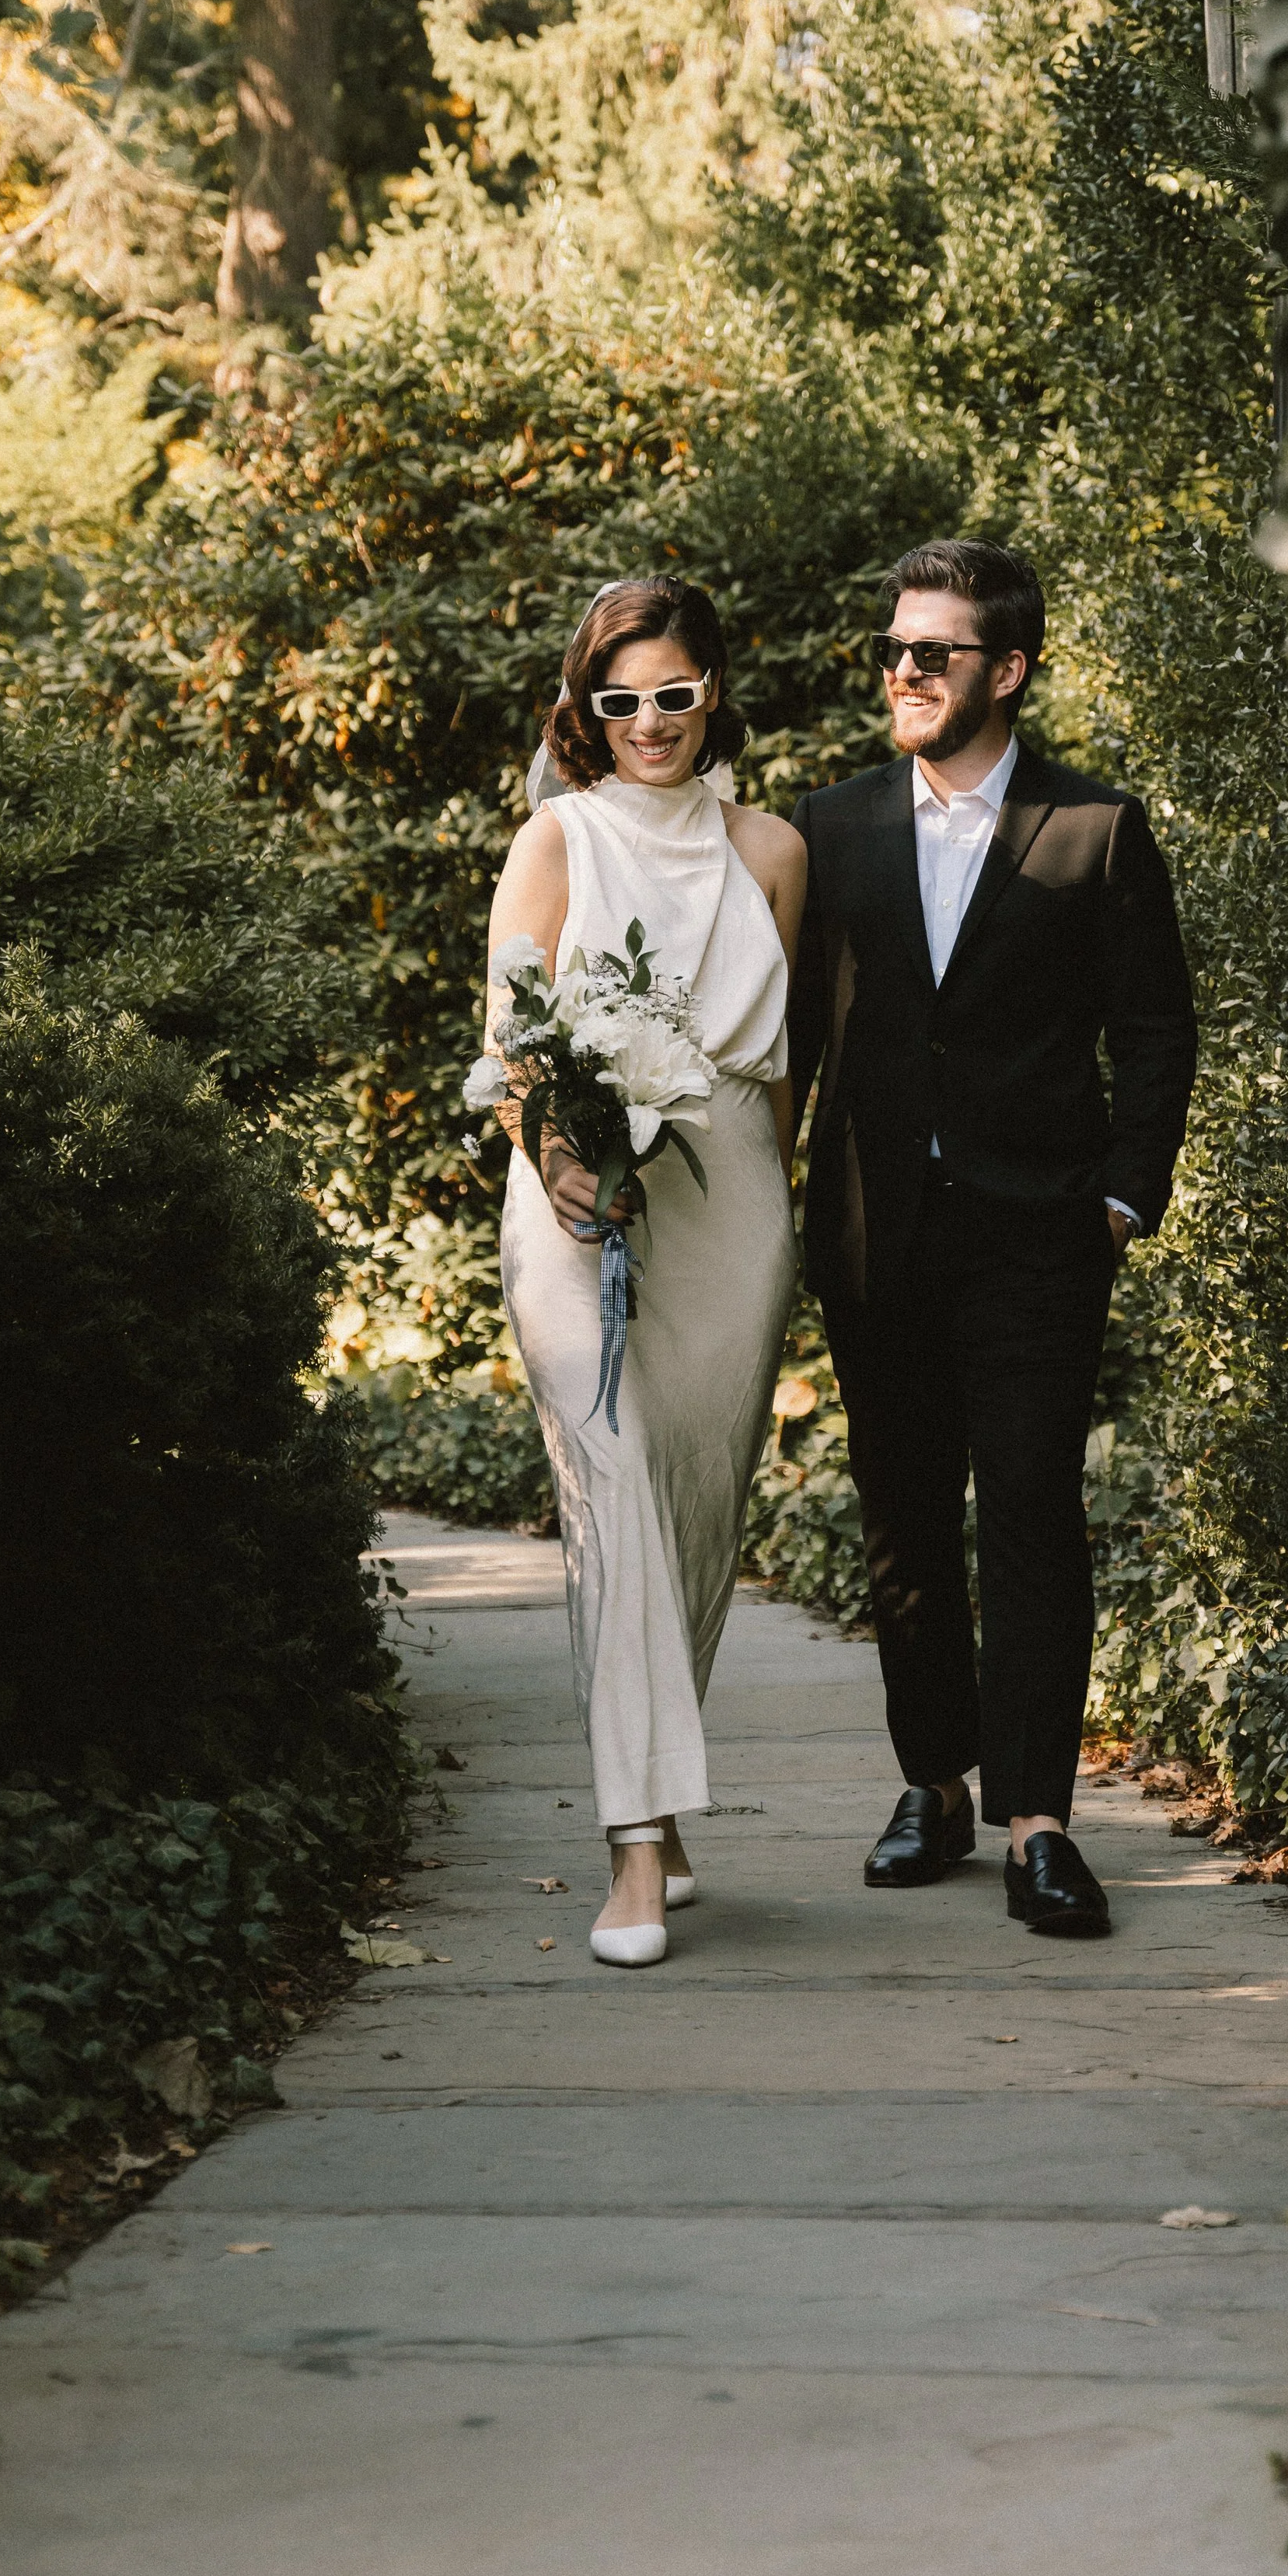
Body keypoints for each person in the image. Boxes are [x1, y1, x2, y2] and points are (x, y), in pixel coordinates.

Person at [787, 539, 1196, 1938]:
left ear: (1004, 671)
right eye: (893, 649)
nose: (901, 672)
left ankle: (1039, 1823)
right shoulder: (827, 828)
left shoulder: (1095, 829)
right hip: (874, 1231)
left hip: (1040, 1235)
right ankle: (935, 1788)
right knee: (903, 1518)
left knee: (1030, 1511)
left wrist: (1123, 1193)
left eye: (932, 653)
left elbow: (1153, 1032)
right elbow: (779, 1036)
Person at [475, 578, 805, 1967]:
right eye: (620, 701)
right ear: (587, 710)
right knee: (612, 1489)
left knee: (695, 1508)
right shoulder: (557, 837)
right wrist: (557, 1162)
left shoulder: (775, 850)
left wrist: (784, 1216)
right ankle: (631, 1851)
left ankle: (661, 1810)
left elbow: (789, 1072)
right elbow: (509, 1041)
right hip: (577, 1194)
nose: (649, 723)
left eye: (674, 695)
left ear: (713, 692)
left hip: (729, 1195)